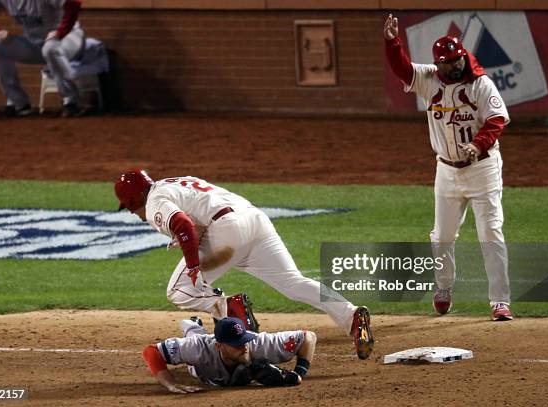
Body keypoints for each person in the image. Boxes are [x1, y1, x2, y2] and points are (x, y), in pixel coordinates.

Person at [114, 170, 374, 359]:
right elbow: (196, 214)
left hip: (227, 231)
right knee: (293, 282)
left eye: (128, 207)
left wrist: (194, 265)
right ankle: (352, 318)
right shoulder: (174, 183)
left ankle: (230, 308)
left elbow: (183, 224)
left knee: (178, 289)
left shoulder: (153, 203)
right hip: (255, 221)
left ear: (133, 200)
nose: (133, 212)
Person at [383, 14, 512, 321]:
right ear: (437, 64)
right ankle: (443, 289)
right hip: (446, 171)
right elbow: (402, 68)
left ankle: (500, 301)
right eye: (447, 62)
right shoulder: (429, 80)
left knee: (490, 234)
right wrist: (392, 42)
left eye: (457, 60)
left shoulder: (480, 84)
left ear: (463, 57)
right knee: (442, 236)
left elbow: (496, 121)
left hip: (482, 169)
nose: (453, 66)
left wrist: (477, 144)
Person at [0, 0, 87, 118]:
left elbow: (74, 3)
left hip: (69, 39)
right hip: (36, 43)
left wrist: (61, 32)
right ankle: (19, 104)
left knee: (50, 48)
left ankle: (71, 102)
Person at [142, 316, 317, 392]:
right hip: (203, 368)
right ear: (220, 346)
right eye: (236, 344)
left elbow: (308, 337)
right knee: (196, 338)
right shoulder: (199, 349)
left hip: (212, 347)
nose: (244, 347)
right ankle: (192, 325)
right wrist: (170, 384)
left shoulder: (260, 344)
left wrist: (299, 373)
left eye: (244, 340)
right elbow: (151, 351)